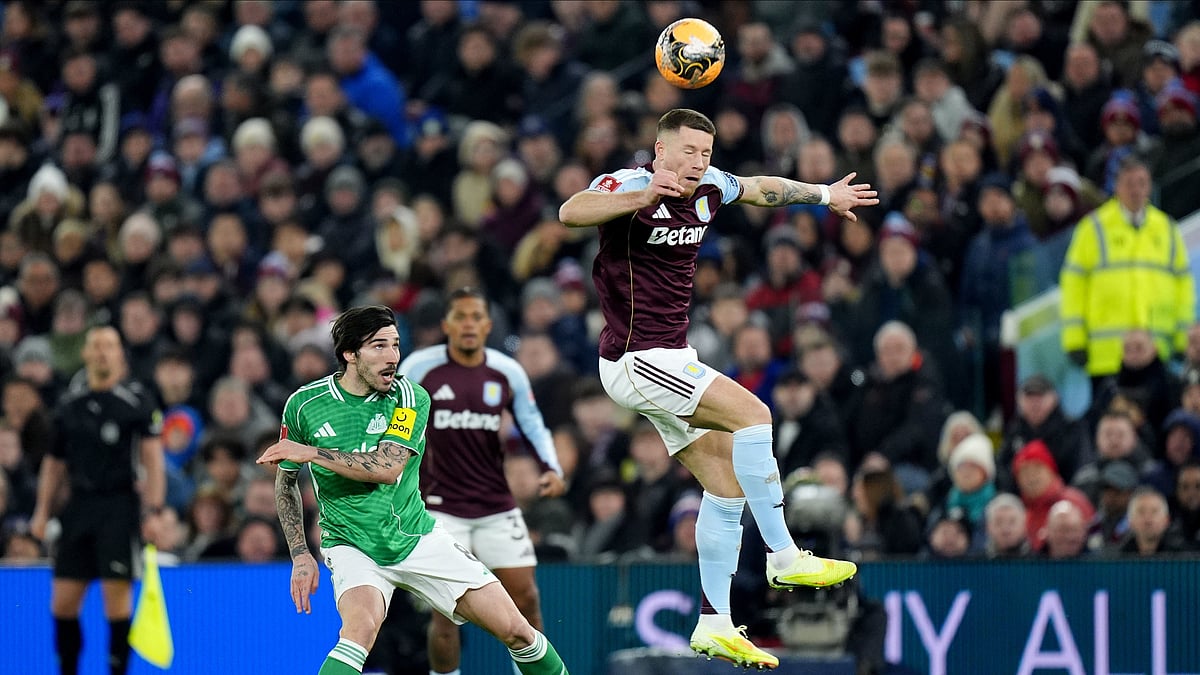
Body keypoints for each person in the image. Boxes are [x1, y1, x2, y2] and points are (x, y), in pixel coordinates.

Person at [558, 108, 876, 669]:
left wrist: (825, 195)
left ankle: (715, 622)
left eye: (705, 153)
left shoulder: (711, 186)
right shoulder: (629, 184)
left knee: (726, 484)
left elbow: (761, 188)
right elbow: (571, 210)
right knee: (755, 415)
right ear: (659, 152)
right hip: (635, 357)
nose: (698, 162)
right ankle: (783, 555)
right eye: (687, 152)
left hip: (670, 358)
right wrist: (637, 198)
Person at [257, 306, 569, 675]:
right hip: (351, 544)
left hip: (416, 538)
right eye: (378, 346)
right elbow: (287, 481)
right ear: (349, 354)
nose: (392, 357)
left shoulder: (409, 397)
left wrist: (312, 452)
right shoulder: (304, 405)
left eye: (395, 345)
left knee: (519, 633)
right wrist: (300, 554)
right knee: (359, 630)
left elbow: (388, 469)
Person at [396, 288, 566, 675]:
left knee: (526, 600)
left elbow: (533, 424)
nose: (469, 324)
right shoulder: (420, 368)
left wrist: (552, 468)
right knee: (446, 614)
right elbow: (397, 426)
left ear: (488, 325)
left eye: (476, 317)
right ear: (447, 325)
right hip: (439, 510)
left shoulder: (507, 372)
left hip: (496, 507)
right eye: (461, 316)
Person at [29, 326, 166, 675]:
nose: (103, 352)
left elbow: (152, 459)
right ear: (86, 354)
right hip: (78, 507)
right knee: (62, 603)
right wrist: (42, 510)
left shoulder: (137, 400)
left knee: (115, 601)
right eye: (96, 346)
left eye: (110, 346)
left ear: (120, 354)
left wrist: (154, 510)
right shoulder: (68, 404)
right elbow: (54, 462)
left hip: (119, 508)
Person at [1060, 156, 1195, 395]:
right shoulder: (1093, 228)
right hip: (1107, 355)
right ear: (1116, 185)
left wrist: (1182, 339)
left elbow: (1183, 284)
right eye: (1129, 183)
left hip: (1156, 351)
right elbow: (1073, 284)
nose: (1136, 190)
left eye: (1142, 183)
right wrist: (1074, 339)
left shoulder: (1166, 228)